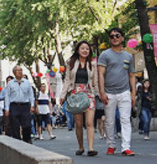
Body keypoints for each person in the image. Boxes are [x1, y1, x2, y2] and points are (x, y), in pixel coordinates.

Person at [98, 27, 137, 156]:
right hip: (109, 92)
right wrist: (102, 92)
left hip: (124, 91)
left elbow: (132, 75)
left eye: (117, 35)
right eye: (112, 36)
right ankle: (111, 145)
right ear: (109, 39)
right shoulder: (105, 55)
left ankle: (126, 147)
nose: (115, 38)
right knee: (109, 120)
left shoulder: (128, 56)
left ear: (122, 38)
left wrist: (133, 93)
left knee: (125, 119)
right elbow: (101, 75)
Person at [59, 41, 99, 155]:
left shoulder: (93, 64)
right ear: (77, 50)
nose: (85, 50)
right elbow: (67, 80)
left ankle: (91, 148)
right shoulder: (71, 63)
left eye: (87, 48)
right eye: (82, 48)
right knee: (79, 123)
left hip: (89, 93)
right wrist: (62, 95)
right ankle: (81, 147)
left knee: (89, 122)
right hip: (75, 93)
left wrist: (100, 94)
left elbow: (95, 81)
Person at [4, 66, 37, 144]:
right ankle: (17, 142)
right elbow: (7, 96)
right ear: (14, 72)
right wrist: (7, 109)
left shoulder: (27, 82)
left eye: (21, 70)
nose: (19, 72)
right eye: (17, 70)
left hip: (25, 106)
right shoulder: (10, 83)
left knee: (27, 125)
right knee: (15, 125)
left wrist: (32, 105)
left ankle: (26, 139)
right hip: (14, 106)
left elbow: (31, 95)